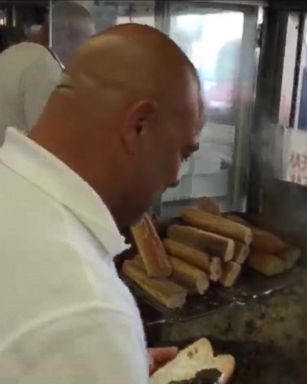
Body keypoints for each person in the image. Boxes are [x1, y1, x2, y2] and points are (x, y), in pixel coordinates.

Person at [0, 23, 204, 383]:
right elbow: (71, 329)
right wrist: (103, 352)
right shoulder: (87, 311)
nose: (175, 178)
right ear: (139, 125)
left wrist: (112, 363)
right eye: (183, 154)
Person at [0, 1, 95, 145]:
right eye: (85, 41)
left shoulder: (11, 54)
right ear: (66, 36)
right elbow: (49, 141)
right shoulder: (43, 65)